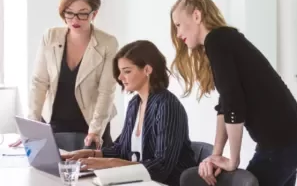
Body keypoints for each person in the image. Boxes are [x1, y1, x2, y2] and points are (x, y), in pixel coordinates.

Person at [170, 0, 297, 186]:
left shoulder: (217, 41)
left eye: (178, 25)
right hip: (290, 137)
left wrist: (232, 160)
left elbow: (234, 105)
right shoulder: (224, 40)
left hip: (283, 142)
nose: (178, 34)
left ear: (196, 16)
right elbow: (226, 104)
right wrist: (216, 156)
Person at [62, 40, 197, 186]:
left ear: (147, 70)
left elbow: (161, 167)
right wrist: (91, 154)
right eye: (120, 72)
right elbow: (121, 148)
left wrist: (109, 163)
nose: (120, 77)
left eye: (127, 71)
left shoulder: (167, 105)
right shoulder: (135, 104)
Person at [9, 0, 118, 150]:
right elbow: (39, 83)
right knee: (47, 172)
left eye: (82, 13)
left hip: (91, 125)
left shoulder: (107, 43)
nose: (75, 20)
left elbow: (106, 91)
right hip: (54, 124)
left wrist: (95, 131)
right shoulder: (51, 37)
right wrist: (31, 127)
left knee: (89, 174)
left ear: (93, 14)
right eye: (69, 13)